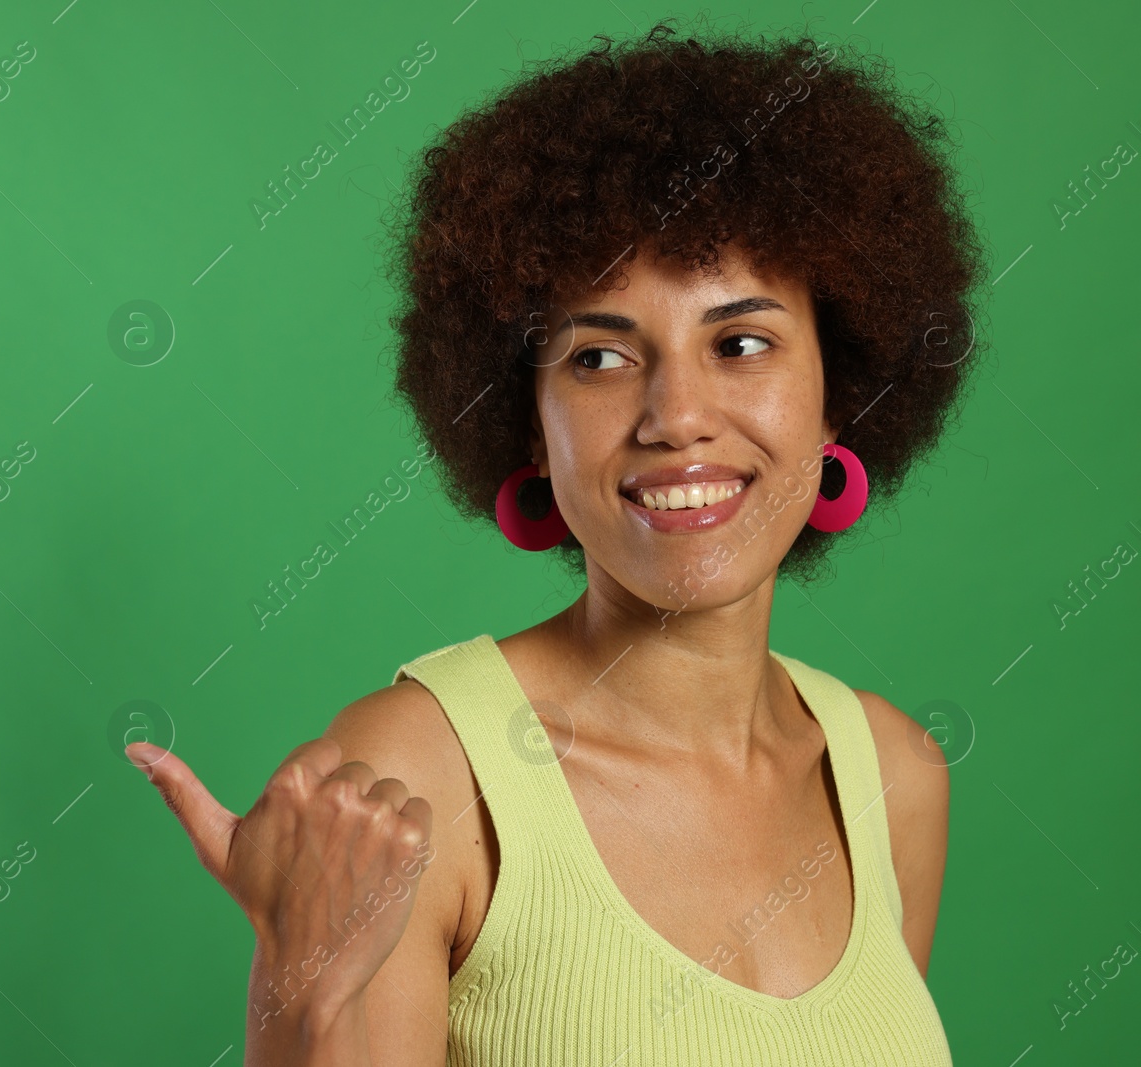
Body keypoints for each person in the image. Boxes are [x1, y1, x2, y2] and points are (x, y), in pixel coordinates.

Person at [127, 19, 986, 1065]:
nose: (677, 413)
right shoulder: (414, 777)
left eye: (741, 342)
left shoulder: (893, 774)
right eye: (598, 357)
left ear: (835, 395)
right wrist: (298, 993)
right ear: (529, 427)